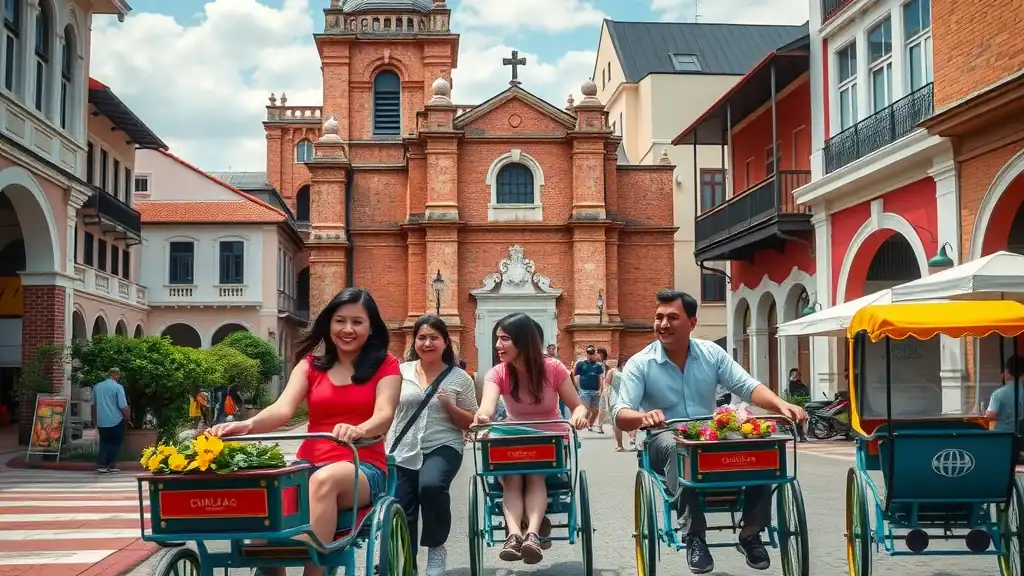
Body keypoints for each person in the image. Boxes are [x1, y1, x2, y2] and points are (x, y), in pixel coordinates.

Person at [209, 288, 401, 576]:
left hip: (362, 467)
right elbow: (282, 409)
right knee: (266, 492)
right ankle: (272, 562)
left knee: (325, 479)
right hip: (308, 464)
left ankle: (313, 567)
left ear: (371, 327)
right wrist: (247, 425)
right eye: (340, 321)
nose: (347, 329)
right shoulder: (309, 366)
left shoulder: (387, 365)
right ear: (328, 324)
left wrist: (359, 429)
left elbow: (384, 415)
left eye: (357, 322)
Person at [613, 290, 806, 574]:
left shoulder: (711, 354)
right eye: (659, 317)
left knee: (760, 448)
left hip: (709, 436)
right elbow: (621, 413)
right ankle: (694, 535)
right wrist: (643, 416)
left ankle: (751, 532)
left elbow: (747, 386)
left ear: (692, 323)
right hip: (663, 439)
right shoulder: (640, 363)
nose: (663, 324)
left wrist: (781, 403)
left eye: (672, 318)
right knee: (678, 448)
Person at [473, 313, 588, 565]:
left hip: (549, 438)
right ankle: (515, 535)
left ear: (523, 341)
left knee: (534, 474)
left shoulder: (553, 368)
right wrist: (482, 417)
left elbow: (577, 405)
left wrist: (579, 416)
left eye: (504, 339)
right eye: (496, 339)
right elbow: (487, 408)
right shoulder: (498, 373)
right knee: (513, 477)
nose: (497, 345)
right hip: (515, 437)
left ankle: (532, 534)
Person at [389, 315, 478, 576]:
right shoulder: (399, 373)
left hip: (444, 445)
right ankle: (408, 563)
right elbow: (385, 410)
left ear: (445, 342)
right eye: (422, 338)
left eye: (434, 338)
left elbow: (472, 420)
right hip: (402, 446)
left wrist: (449, 405)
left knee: (431, 485)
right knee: (403, 507)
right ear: (414, 341)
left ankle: (436, 547)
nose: (427, 343)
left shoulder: (460, 378)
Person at [93, 368, 129, 474]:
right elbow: (123, 406)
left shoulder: (97, 387)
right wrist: (127, 417)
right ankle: (112, 465)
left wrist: (94, 420)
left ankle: (102, 465)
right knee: (116, 443)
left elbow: (93, 406)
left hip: (101, 421)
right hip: (116, 420)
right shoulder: (118, 387)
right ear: (116, 375)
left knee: (104, 443)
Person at [986, 355, 1024, 433]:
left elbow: (990, 417)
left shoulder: (998, 394)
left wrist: (983, 412)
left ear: (1007, 371)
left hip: (1002, 437)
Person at [605, 356, 636, 451]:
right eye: (625, 364)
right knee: (616, 422)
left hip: (628, 399)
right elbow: (607, 384)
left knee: (631, 421)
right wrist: (605, 398)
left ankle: (632, 438)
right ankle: (620, 445)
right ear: (621, 364)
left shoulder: (632, 373)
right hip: (615, 398)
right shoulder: (613, 372)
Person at [574, 346, 604, 432]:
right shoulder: (581, 364)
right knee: (585, 409)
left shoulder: (598, 366)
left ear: (595, 354)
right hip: (584, 390)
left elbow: (600, 377)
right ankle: (579, 424)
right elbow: (575, 376)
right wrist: (577, 387)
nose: (590, 356)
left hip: (595, 391)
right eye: (589, 353)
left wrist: (600, 389)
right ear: (586, 354)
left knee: (595, 411)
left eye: (592, 354)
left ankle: (589, 424)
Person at [787, 368, 809, 442]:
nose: (797, 376)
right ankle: (800, 435)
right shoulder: (792, 383)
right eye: (795, 374)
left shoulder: (799, 382)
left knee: (801, 420)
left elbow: (805, 389)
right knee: (797, 420)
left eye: (798, 374)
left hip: (801, 403)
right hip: (795, 403)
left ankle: (801, 435)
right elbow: (793, 392)